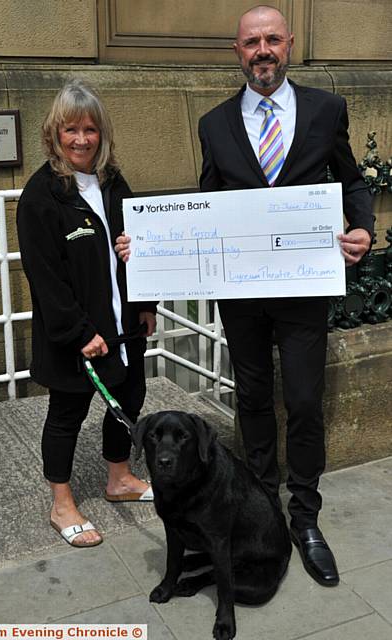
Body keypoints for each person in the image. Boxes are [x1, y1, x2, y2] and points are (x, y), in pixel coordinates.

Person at [116, 5, 373, 586]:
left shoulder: (326, 109)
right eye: (251, 41)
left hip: (306, 287)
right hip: (242, 296)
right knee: (253, 400)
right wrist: (151, 249)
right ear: (238, 51)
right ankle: (261, 509)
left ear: (289, 45)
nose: (263, 50)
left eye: (273, 40)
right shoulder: (215, 123)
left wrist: (363, 228)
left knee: (304, 403)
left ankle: (304, 517)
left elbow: (351, 179)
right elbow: (207, 205)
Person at [17, 79, 157, 548]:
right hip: (78, 337)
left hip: (124, 328)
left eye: (90, 129)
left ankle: (118, 478)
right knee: (66, 415)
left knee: (128, 403)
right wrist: (79, 332)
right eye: (70, 130)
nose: (81, 139)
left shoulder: (113, 182)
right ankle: (61, 504)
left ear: (103, 134)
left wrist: (144, 304)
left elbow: (142, 246)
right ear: (54, 133)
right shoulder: (41, 196)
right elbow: (46, 278)